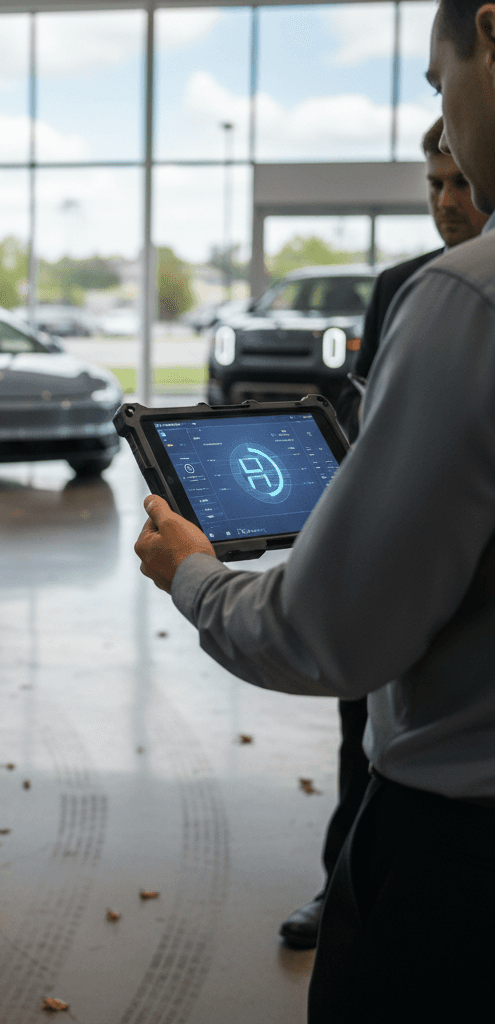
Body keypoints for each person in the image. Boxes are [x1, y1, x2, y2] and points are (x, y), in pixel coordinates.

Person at [133, 3, 495, 1020]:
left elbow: (327, 635)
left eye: (438, 85)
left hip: (459, 867)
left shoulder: (467, 300)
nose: (448, 141)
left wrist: (195, 576)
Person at [278, 115, 489, 950]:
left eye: (461, 183)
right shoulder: (402, 282)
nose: (448, 203)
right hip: (391, 534)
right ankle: (343, 883)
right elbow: (373, 421)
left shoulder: (460, 294)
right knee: (358, 725)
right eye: (434, 187)